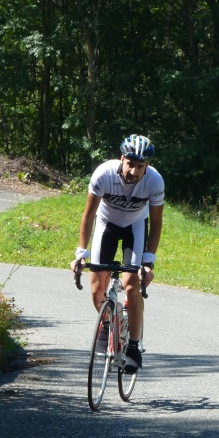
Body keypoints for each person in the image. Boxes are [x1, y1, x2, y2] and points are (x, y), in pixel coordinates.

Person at [71, 134, 164, 374]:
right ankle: (107, 324)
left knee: (131, 285)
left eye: (140, 166)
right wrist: (82, 253)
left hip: (136, 226)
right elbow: (89, 214)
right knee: (96, 285)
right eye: (130, 164)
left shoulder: (154, 182)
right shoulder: (103, 174)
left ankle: (133, 345)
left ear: (147, 166)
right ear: (121, 159)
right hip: (107, 224)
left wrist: (148, 261)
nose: (134, 171)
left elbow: (156, 223)